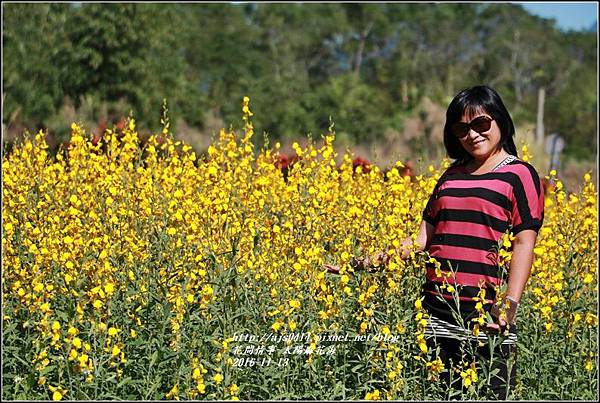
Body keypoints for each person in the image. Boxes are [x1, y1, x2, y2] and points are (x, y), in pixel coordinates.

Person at [324, 85, 544, 399]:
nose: (472, 135)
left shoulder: (520, 175)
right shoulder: (450, 176)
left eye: (481, 124)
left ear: (500, 122)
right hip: (437, 310)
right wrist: (356, 265)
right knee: (442, 393)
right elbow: (421, 240)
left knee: (492, 393)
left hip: (488, 315)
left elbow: (524, 243)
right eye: (461, 128)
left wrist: (508, 307)